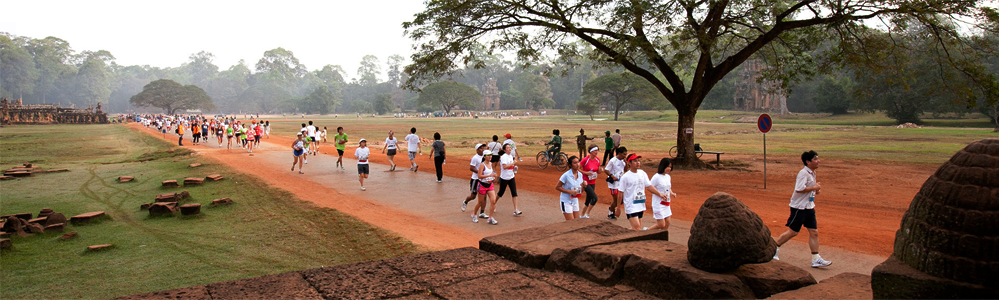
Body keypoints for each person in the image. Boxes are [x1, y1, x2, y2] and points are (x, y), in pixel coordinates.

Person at [773, 150, 833, 268]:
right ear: (808, 161)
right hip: (799, 208)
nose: (818, 161)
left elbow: (808, 188)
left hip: (809, 207)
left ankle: (815, 259)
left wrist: (816, 190)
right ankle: (773, 248)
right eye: (815, 159)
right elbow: (799, 188)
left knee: (814, 232)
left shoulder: (812, 173)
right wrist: (814, 187)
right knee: (793, 232)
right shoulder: (803, 173)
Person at [618, 154, 667, 231]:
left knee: (637, 228)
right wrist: (618, 208)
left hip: (640, 204)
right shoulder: (625, 177)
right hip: (630, 205)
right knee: (637, 228)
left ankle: (624, 232)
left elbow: (649, 186)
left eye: (638, 161)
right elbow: (620, 192)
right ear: (629, 163)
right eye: (635, 161)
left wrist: (659, 194)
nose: (638, 163)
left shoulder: (642, 173)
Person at [647, 158, 678, 231]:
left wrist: (672, 193)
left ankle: (663, 239)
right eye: (668, 167)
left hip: (666, 203)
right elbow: (649, 187)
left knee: (667, 223)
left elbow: (668, 187)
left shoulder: (668, 177)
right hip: (658, 204)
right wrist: (659, 194)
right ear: (663, 166)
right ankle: (646, 232)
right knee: (661, 224)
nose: (669, 169)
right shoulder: (656, 177)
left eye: (670, 167)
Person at [472, 150, 499, 225]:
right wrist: (489, 176)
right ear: (484, 157)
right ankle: (474, 214)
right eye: (488, 155)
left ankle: (491, 217)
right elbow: (479, 176)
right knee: (480, 202)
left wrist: (493, 174)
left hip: (490, 185)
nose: (490, 157)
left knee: (493, 201)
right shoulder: (482, 165)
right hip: (482, 185)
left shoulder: (490, 163)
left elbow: (491, 172)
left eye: (491, 155)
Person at [461, 144, 488, 219]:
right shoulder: (475, 158)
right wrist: (479, 172)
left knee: (484, 196)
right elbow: (471, 168)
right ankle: (465, 201)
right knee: (473, 196)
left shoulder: (486, 157)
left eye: (483, 148)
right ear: (477, 150)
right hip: (475, 179)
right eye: (480, 148)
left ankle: (482, 212)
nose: (482, 149)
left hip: (483, 179)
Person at [556, 156, 585, 220]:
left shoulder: (580, 175)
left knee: (576, 222)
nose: (578, 164)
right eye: (575, 163)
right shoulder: (566, 175)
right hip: (566, 201)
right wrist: (570, 192)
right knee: (570, 223)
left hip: (575, 200)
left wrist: (584, 186)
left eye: (578, 162)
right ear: (570, 165)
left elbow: (580, 190)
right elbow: (557, 187)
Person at [604, 146, 628, 219]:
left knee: (621, 200)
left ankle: (612, 207)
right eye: (624, 154)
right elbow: (606, 170)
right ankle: (611, 213)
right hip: (614, 183)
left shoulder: (623, 161)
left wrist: (626, 164)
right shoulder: (613, 161)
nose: (625, 156)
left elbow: (625, 170)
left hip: (621, 182)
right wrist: (612, 176)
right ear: (619, 153)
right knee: (616, 199)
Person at [498, 143, 522, 216]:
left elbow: (510, 166)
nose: (510, 149)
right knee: (500, 193)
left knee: (514, 193)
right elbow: (505, 167)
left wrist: (514, 168)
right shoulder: (503, 157)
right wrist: (512, 164)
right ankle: (493, 203)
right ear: (504, 150)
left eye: (510, 147)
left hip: (511, 177)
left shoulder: (511, 156)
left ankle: (516, 209)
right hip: (504, 178)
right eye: (508, 148)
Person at [579, 145, 602, 218]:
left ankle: (582, 215)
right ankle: (587, 214)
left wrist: (600, 170)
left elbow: (598, 171)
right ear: (591, 151)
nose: (596, 152)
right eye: (595, 150)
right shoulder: (585, 160)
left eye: (597, 150)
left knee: (588, 199)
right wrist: (586, 173)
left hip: (593, 182)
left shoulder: (597, 160)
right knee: (594, 198)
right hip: (585, 182)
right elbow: (577, 168)